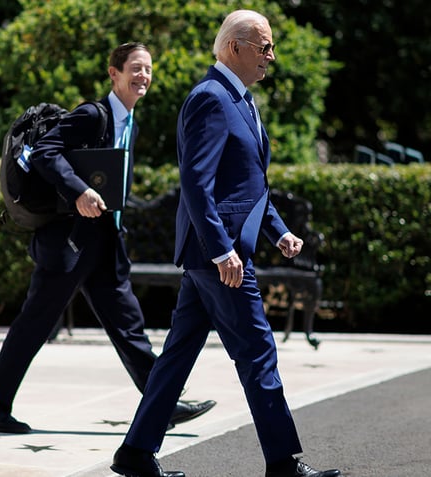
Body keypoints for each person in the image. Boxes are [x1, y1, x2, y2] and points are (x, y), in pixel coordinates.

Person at [110, 11, 341, 477]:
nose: (271, 57)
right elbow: (197, 183)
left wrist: (279, 232)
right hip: (222, 258)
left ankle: (134, 453)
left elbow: (248, 184)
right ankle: (283, 463)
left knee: (177, 354)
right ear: (235, 47)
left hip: (219, 255)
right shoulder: (210, 99)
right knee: (258, 350)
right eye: (265, 46)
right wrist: (220, 249)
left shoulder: (242, 100)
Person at [0, 42, 215, 435]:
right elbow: (45, 153)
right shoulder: (91, 115)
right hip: (68, 240)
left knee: (128, 324)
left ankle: (162, 403)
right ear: (113, 74)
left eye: (148, 69)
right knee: (36, 323)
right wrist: (78, 190)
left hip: (103, 239)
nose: (143, 76)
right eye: (135, 68)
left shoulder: (131, 120)